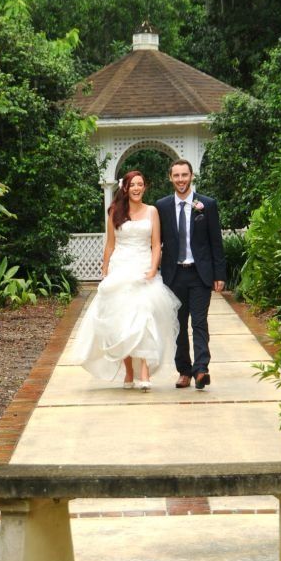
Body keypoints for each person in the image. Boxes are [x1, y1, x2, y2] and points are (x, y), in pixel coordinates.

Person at [75, 170, 180, 391]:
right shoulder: (115, 211)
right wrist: (105, 269)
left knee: (143, 318)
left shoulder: (152, 212)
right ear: (125, 187)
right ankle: (129, 371)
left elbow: (156, 244)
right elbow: (111, 245)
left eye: (140, 184)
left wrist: (152, 269)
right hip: (120, 268)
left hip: (142, 269)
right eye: (132, 184)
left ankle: (143, 370)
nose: (136, 188)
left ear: (145, 187)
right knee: (120, 322)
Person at [156, 159, 226, 389]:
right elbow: (157, 243)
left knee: (199, 322)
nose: (181, 180)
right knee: (178, 325)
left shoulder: (207, 204)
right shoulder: (162, 206)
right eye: (176, 176)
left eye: (184, 175)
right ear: (170, 178)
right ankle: (184, 371)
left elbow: (216, 242)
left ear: (192, 176)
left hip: (200, 274)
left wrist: (220, 274)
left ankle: (201, 369)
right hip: (174, 275)